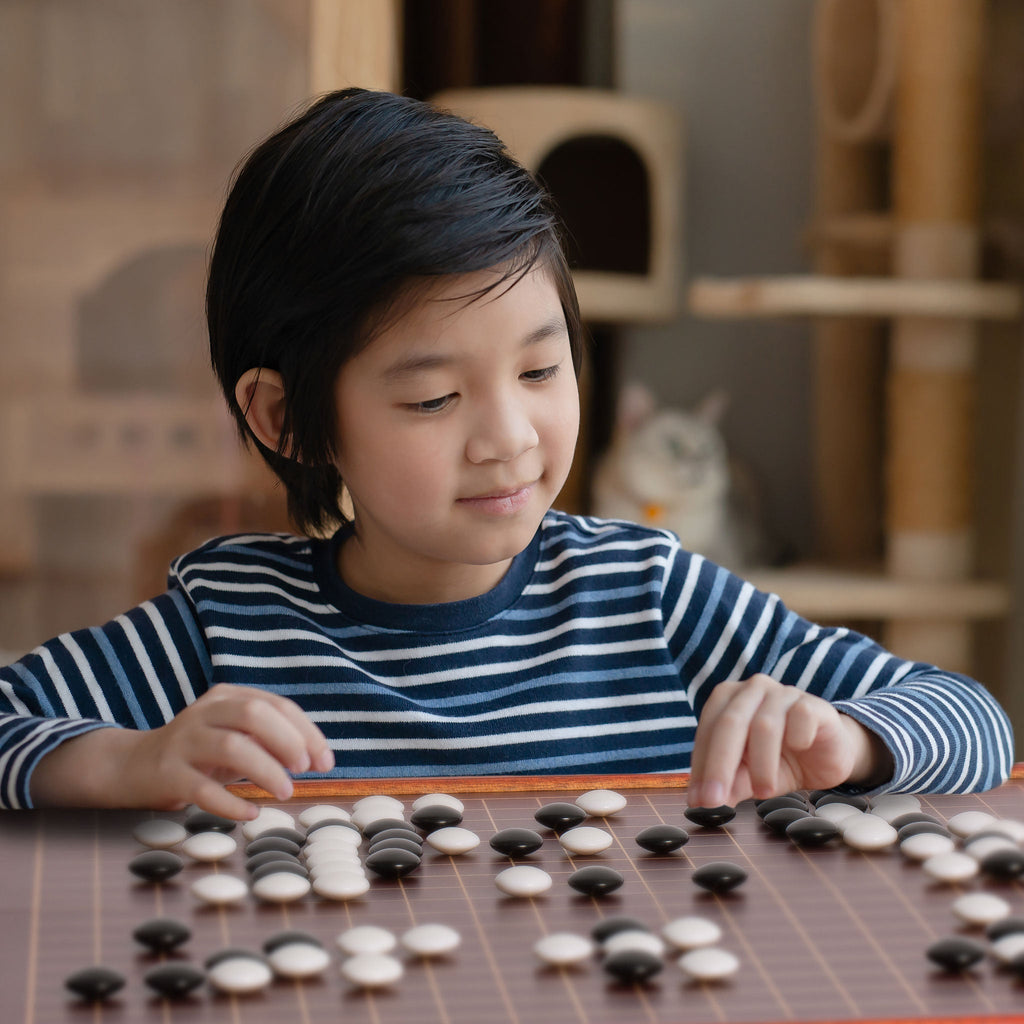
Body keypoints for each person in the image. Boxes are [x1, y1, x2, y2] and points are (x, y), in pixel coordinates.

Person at [0, 89, 1012, 821]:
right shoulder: (228, 624)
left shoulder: (647, 593)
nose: (511, 438)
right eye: (434, 396)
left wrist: (852, 738)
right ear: (285, 420)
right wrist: (126, 762)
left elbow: (975, 721)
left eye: (541, 370)